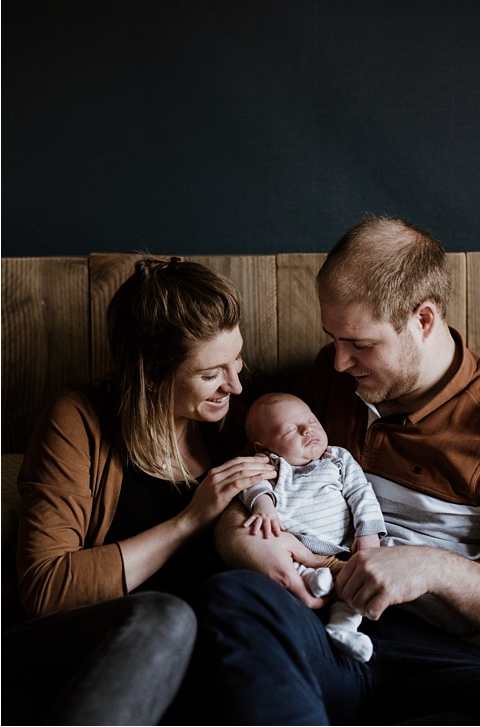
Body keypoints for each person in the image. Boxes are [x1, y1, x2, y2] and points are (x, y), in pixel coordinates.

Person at [195, 215, 480, 724]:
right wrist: (247, 541)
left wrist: (435, 567)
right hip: (317, 623)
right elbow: (251, 481)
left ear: (422, 320)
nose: (339, 361)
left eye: (359, 344)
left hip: (436, 658)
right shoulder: (330, 379)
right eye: (333, 338)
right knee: (229, 597)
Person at [7, 257, 277, 724]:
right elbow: (45, 589)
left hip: (202, 665)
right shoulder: (78, 420)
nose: (234, 385)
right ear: (150, 374)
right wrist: (187, 523)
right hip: (87, 653)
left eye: (238, 363)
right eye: (211, 373)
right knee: (165, 618)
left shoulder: (239, 426)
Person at [240, 392, 386, 662]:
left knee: (354, 586)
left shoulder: (337, 458)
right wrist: (263, 506)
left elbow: (361, 494)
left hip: (343, 550)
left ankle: (343, 628)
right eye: (290, 430)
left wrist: (369, 532)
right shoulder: (270, 465)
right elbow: (251, 484)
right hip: (297, 549)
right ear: (264, 447)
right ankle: (308, 578)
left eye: (311, 420)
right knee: (274, 555)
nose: (308, 429)